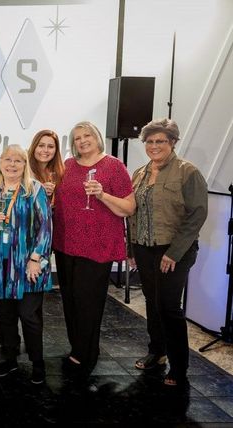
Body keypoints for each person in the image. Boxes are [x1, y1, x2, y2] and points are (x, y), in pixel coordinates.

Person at [127, 118, 207, 387]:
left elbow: (196, 215)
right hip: (144, 248)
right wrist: (131, 248)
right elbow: (132, 213)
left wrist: (173, 253)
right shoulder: (139, 173)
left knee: (169, 306)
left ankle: (179, 365)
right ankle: (157, 351)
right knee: (152, 301)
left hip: (175, 250)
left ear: (172, 142)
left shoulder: (188, 172)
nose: (154, 146)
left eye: (160, 141)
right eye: (150, 141)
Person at [52, 121, 135, 375]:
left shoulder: (113, 166)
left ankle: (86, 353)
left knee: (88, 302)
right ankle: (78, 347)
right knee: (70, 301)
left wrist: (102, 195)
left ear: (96, 137)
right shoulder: (67, 166)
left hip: (97, 245)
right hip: (66, 243)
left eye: (87, 135)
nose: (82, 141)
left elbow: (129, 207)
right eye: (77, 138)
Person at [0, 145, 52, 384]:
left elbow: (45, 227)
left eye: (18, 161)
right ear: (0, 162)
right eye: (8, 160)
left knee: (29, 315)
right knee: (5, 316)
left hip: (27, 265)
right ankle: (10, 357)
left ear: (25, 165)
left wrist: (36, 259)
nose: (12, 165)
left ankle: (37, 362)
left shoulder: (34, 190)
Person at [27, 129, 65, 205]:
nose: (45, 150)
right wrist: (39, 191)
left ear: (56, 150)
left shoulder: (59, 172)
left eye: (50, 147)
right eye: (41, 146)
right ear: (34, 147)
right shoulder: (24, 170)